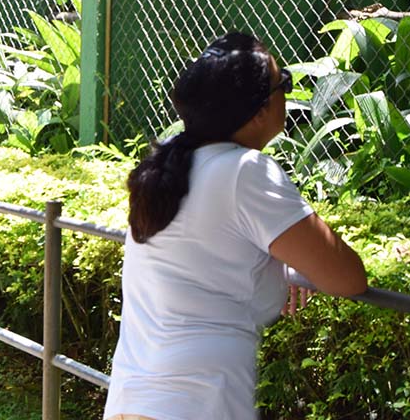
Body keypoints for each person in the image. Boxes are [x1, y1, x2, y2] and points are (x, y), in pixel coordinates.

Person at [103, 32, 367, 420]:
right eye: (285, 84)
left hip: (134, 398)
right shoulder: (246, 172)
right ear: (259, 111)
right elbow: (348, 278)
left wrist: (281, 265)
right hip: (196, 402)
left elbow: (209, 258)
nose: (289, 94)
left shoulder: (173, 165)